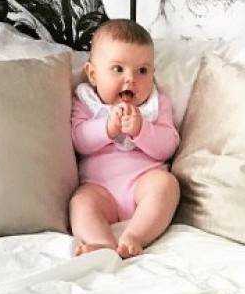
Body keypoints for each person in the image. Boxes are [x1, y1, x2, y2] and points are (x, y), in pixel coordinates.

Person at [70, 18, 180, 258]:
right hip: (100, 188)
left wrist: (142, 130)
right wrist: (107, 128)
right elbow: (78, 140)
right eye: (118, 69)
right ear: (93, 74)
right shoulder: (86, 102)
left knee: (167, 185)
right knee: (80, 202)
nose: (131, 79)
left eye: (142, 71)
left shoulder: (156, 104)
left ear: (152, 73)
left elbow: (169, 145)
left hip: (143, 183)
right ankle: (102, 243)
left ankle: (135, 235)